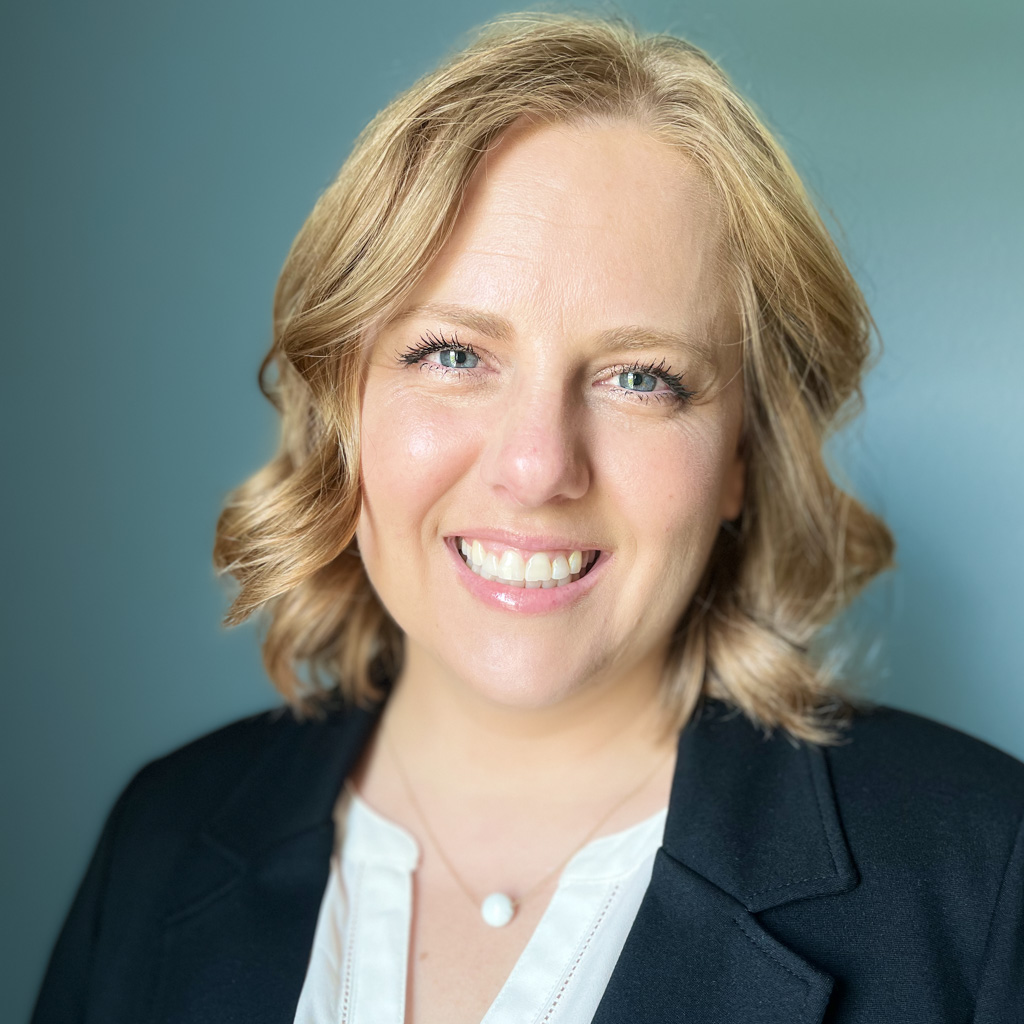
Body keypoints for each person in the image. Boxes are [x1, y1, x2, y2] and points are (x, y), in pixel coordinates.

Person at [31, 11, 1024, 1024]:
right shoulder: (160, 841)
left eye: (642, 377)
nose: (538, 466)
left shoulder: (981, 878)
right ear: (344, 410)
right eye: (453, 355)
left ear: (742, 454)